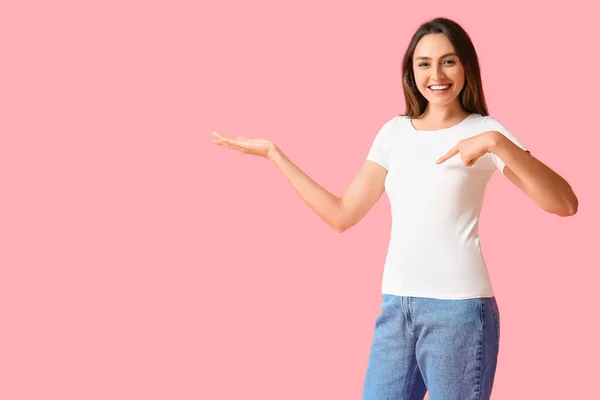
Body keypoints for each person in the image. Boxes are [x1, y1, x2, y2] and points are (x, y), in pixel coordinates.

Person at [210, 16, 578, 400]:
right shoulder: (394, 133)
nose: (437, 73)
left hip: (459, 313)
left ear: (467, 66)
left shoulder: (486, 131)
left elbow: (564, 203)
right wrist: (274, 154)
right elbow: (342, 215)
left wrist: (497, 144)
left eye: (449, 61)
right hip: (396, 308)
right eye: (424, 63)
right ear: (411, 71)